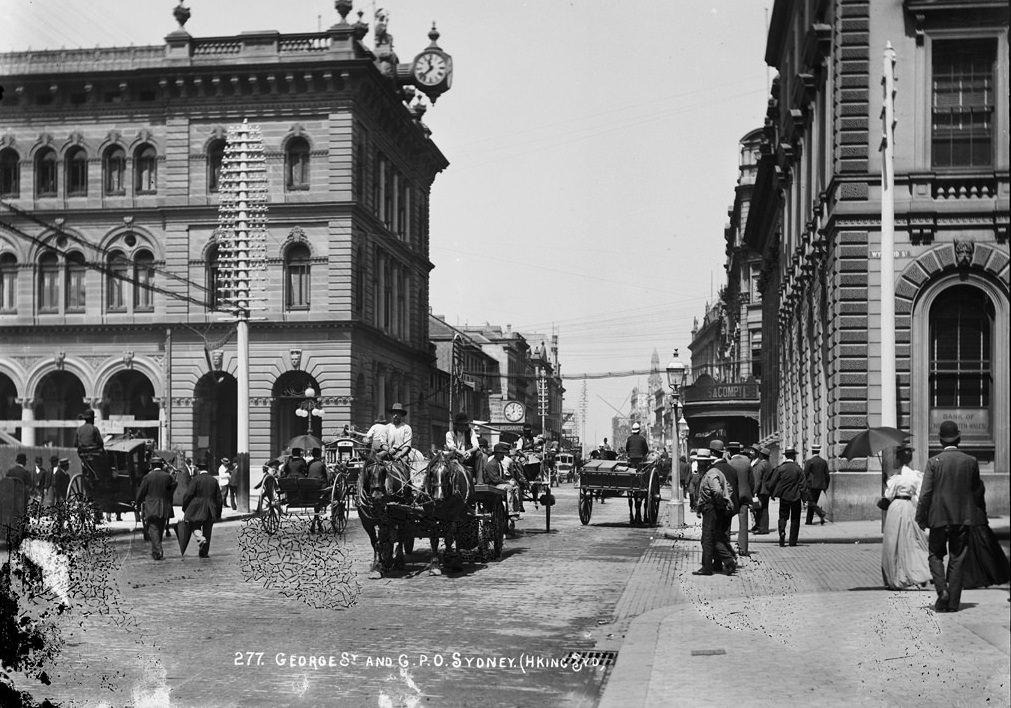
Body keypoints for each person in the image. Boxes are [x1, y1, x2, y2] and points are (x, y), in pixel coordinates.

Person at [915, 420, 988, 613]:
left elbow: (925, 494)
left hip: (938, 517)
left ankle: (942, 591)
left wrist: (921, 517)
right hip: (963, 518)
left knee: (935, 555)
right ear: (959, 438)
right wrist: (981, 515)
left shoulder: (933, 462)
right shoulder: (970, 462)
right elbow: (977, 491)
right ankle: (953, 602)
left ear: (940, 440)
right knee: (958, 557)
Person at [881, 443, 931, 590]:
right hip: (910, 507)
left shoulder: (895, 477)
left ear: (898, 457)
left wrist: (886, 483)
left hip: (896, 508)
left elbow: (887, 497)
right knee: (911, 540)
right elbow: (919, 495)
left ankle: (897, 576)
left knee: (894, 541)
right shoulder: (915, 475)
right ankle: (915, 573)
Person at [691, 449, 737, 576]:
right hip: (712, 508)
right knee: (714, 538)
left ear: (705, 463)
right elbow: (729, 488)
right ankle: (725, 561)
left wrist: (718, 503)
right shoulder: (715, 472)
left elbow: (717, 491)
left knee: (707, 539)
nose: (699, 464)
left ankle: (709, 567)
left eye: (700, 462)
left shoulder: (710, 474)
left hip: (711, 509)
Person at [135, 456, 176, 561]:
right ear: (161, 465)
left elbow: (141, 492)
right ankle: (156, 551)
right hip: (164, 506)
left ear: (152, 466)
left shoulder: (148, 477)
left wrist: (137, 502)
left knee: (153, 529)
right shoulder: (168, 477)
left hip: (151, 507)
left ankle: (158, 550)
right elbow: (172, 487)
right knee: (160, 529)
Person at [182, 462, 223, 559]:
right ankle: (204, 552)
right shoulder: (213, 480)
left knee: (194, 525)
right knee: (208, 530)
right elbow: (219, 498)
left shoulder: (195, 480)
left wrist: (185, 508)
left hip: (197, 508)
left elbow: (188, 495)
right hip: (210, 508)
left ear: (198, 469)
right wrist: (218, 513)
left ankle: (200, 538)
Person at [768, 446, 807, 547]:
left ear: (786, 456)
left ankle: (782, 531)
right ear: (794, 456)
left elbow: (772, 482)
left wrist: (772, 493)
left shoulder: (780, 468)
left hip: (784, 497)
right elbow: (803, 485)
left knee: (783, 516)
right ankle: (792, 541)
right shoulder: (798, 469)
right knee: (795, 518)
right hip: (796, 497)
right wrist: (804, 498)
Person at [727, 442, 755, 556]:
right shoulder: (747, 463)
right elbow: (752, 482)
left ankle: (726, 547)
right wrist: (750, 492)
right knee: (743, 524)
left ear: (729, 452)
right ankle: (743, 548)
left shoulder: (729, 463)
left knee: (727, 522)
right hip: (744, 495)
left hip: (731, 496)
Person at [484, 442, 521, 514]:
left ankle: (516, 510)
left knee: (515, 487)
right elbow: (495, 479)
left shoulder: (498, 462)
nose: (503, 456)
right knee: (509, 488)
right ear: (496, 454)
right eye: (501, 454)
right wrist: (507, 482)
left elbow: (501, 477)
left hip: (498, 484)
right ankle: (510, 512)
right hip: (493, 485)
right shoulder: (492, 464)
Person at [74, 409, 106, 482]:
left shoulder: (79, 429)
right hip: (94, 454)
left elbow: (75, 444)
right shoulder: (94, 429)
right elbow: (101, 443)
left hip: (82, 455)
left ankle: (89, 474)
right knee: (105, 456)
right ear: (92, 419)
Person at [446, 412, 480, 478]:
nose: (463, 427)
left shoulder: (471, 432)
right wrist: (462, 453)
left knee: (480, 454)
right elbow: (452, 448)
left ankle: (479, 480)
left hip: (469, 456)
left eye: (464, 425)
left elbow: (476, 446)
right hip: (456, 456)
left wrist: (469, 451)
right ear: (456, 425)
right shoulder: (449, 434)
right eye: (461, 425)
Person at [803, 444, 830, 525]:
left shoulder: (809, 461)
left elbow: (805, 474)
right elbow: (827, 475)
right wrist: (826, 486)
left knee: (811, 502)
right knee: (813, 501)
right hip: (820, 485)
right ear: (819, 451)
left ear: (812, 451)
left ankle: (820, 512)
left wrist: (803, 484)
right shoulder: (824, 462)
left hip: (811, 485)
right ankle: (808, 520)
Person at [750, 447, 773, 534]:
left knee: (758, 509)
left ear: (761, 455)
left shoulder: (761, 465)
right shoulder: (769, 465)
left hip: (760, 491)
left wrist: (754, 491)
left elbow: (757, 480)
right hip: (767, 490)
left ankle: (760, 527)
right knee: (765, 509)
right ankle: (764, 527)